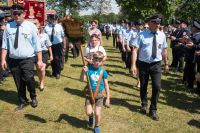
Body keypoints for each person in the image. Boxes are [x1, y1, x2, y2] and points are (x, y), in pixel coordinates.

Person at [1, 5, 43, 110]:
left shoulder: (31, 27)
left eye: (18, 14)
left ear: (24, 14)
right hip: (13, 60)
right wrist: (2, 59)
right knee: (18, 81)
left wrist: (40, 60)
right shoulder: (8, 27)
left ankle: (33, 96)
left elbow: (37, 44)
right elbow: (5, 45)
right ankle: (23, 101)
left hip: (28, 58)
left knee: (29, 78)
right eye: (14, 14)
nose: (16, 16)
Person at [130, 15, 169, 121]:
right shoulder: (141, 35)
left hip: (156, 64)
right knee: (143, 86)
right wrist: (133, 65)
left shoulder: (162, 35)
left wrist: (166, 64)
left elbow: (164, 50)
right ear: (150, 23)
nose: (158, 25)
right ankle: (143, 104)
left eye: (159, 23)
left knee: (157, 86)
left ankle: (153, 110)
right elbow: (134, 50)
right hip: (143, 64)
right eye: (155, 22)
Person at [80, 51, 110, 133]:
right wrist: (83, 72)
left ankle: (96, 126)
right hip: (89, 94)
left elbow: (106, 85)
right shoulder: (88, 69)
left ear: (102, 61)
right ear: (92, 60)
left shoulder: (103, 72)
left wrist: (108, 98)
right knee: (88, 112)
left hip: (100, 95)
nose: (97, 63)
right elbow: (82, 80)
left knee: (97, 113)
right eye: (96, 60)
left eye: (100, 61)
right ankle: (90, 116)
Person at [44, 14, 66, 79]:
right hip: (50, 46)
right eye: (53, 19)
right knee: (52, 59)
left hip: (58, 45)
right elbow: (44, 36)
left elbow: (63, 36)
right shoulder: (46, 27)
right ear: (50, 20)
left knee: (57, 59)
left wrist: (64, 45)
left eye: (55, 20)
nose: (54, 21)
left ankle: (58, 72)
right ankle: (54, 72)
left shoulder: (60, 27)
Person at [35, 21, 53, 91]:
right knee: (38, 69)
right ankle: (40, 81)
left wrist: (51, 55)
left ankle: (42, 82)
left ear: (40, 28)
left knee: (42, 69)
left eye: (38, 28)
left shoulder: (45, 35)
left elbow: (49, 45)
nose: (37, 30)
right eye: (36, 29)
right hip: (36, 54)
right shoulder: (33, 36)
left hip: (44, 53)